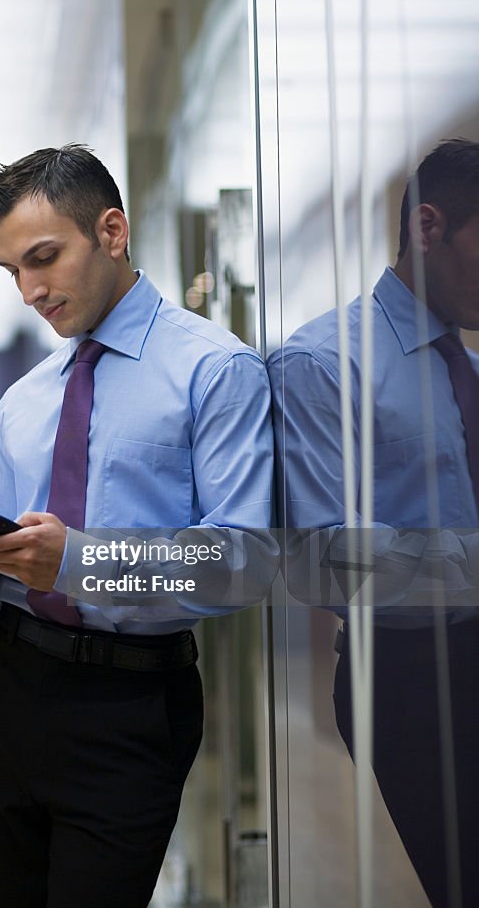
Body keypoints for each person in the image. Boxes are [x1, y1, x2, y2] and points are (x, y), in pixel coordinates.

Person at [0, 144, 275, 908]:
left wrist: (79, 562)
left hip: (129, 707)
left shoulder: (215, 370)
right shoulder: (24, 400)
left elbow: (244, 563)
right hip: (7, 694)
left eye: (43, 258)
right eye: (12, 270)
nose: (29, 289)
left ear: (112, 231)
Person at [267, 138, 479, 907]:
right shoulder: (323, 364)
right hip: (414, 677)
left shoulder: (471, 369)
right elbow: (323, 560)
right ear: (429, 227)